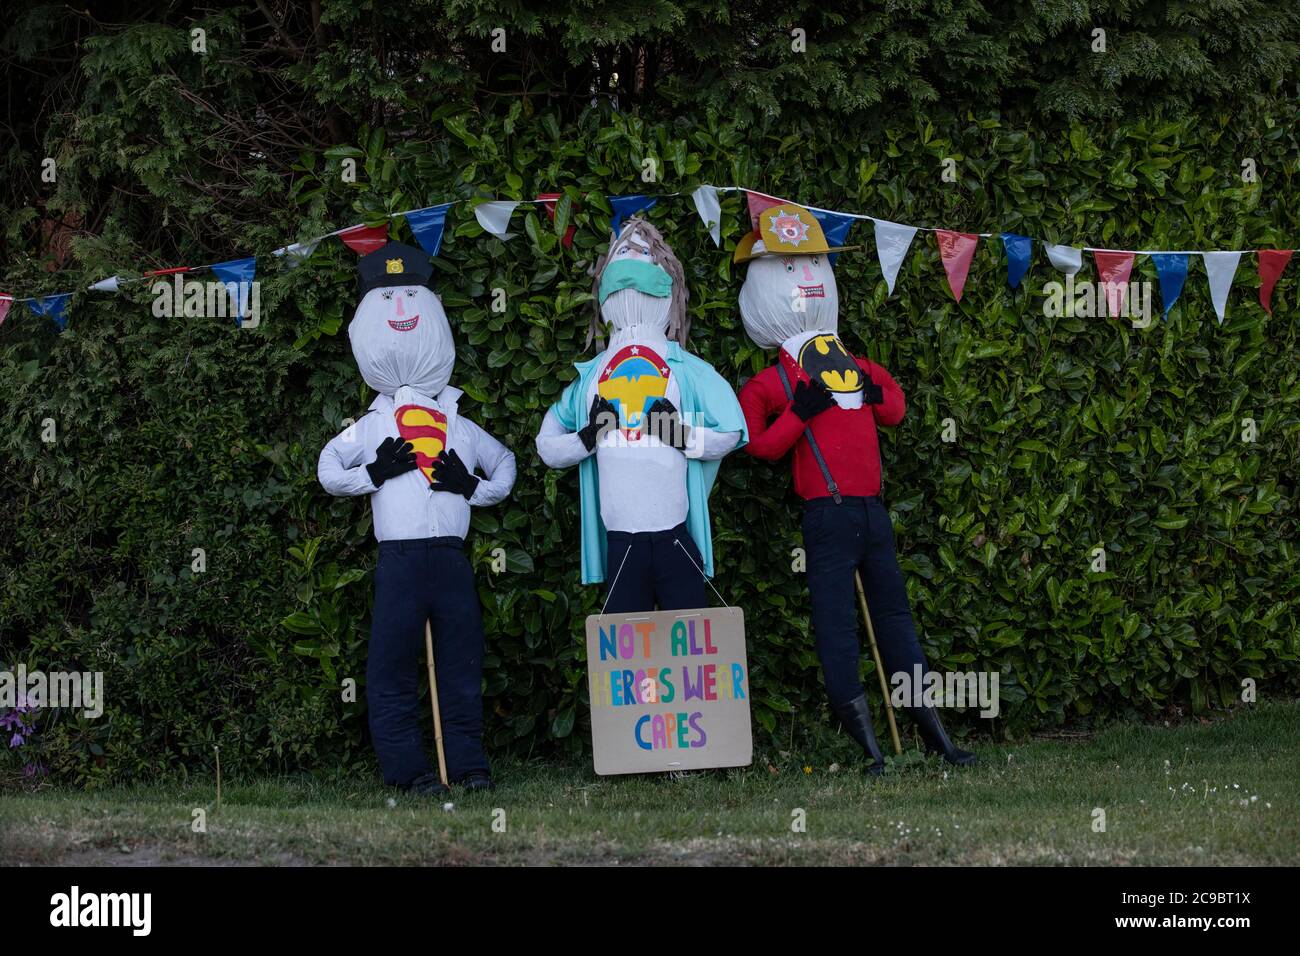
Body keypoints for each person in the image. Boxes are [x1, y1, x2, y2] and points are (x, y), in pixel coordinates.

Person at [734, 201, 976, 773]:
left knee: (897, 620)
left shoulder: (857, 362)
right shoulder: (774, 380)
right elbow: (756, 443)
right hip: (827, 514)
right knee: (837, 627)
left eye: (814, 264)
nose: (809, 279)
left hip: (873, 512)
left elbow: (895, 409)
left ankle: (934, 732)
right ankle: (866, 744)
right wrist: (799, 413)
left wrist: (869, 392)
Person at [318, 241, 516, 795]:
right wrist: (373, 475)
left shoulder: (458, 422)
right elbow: (327, 466)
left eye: (413, 296)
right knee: (392, 667)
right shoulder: (370, 426)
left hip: (450, 559)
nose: (403, 308)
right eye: (390, 298)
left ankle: (469, 766)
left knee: (460, 663)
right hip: (399, 560)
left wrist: (470, 487)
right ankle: (409, 771)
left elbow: (506, 462)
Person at [535, 218, 746, 612]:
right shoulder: (591, 375)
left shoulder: (684, 367)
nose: (632, 261)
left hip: (675, 537)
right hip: (620, 543)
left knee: (688, 649)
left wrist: (681, 436)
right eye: (622, 253)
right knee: (627, 653)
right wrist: (586, 439)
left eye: (645, 253)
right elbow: (547, 444)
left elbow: (731, 430)